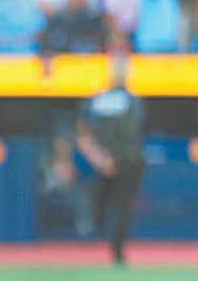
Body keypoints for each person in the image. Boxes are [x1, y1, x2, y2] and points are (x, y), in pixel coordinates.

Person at [74, 53, 145, 266]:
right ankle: (99, 245)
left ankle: (116, 249)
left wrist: (102, 158)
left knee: (121, 207)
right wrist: (100, 158)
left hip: (124, 160)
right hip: (112, 160)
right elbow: (83, 133)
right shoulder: (103, 98)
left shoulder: (129, 98)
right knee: (103, 206)